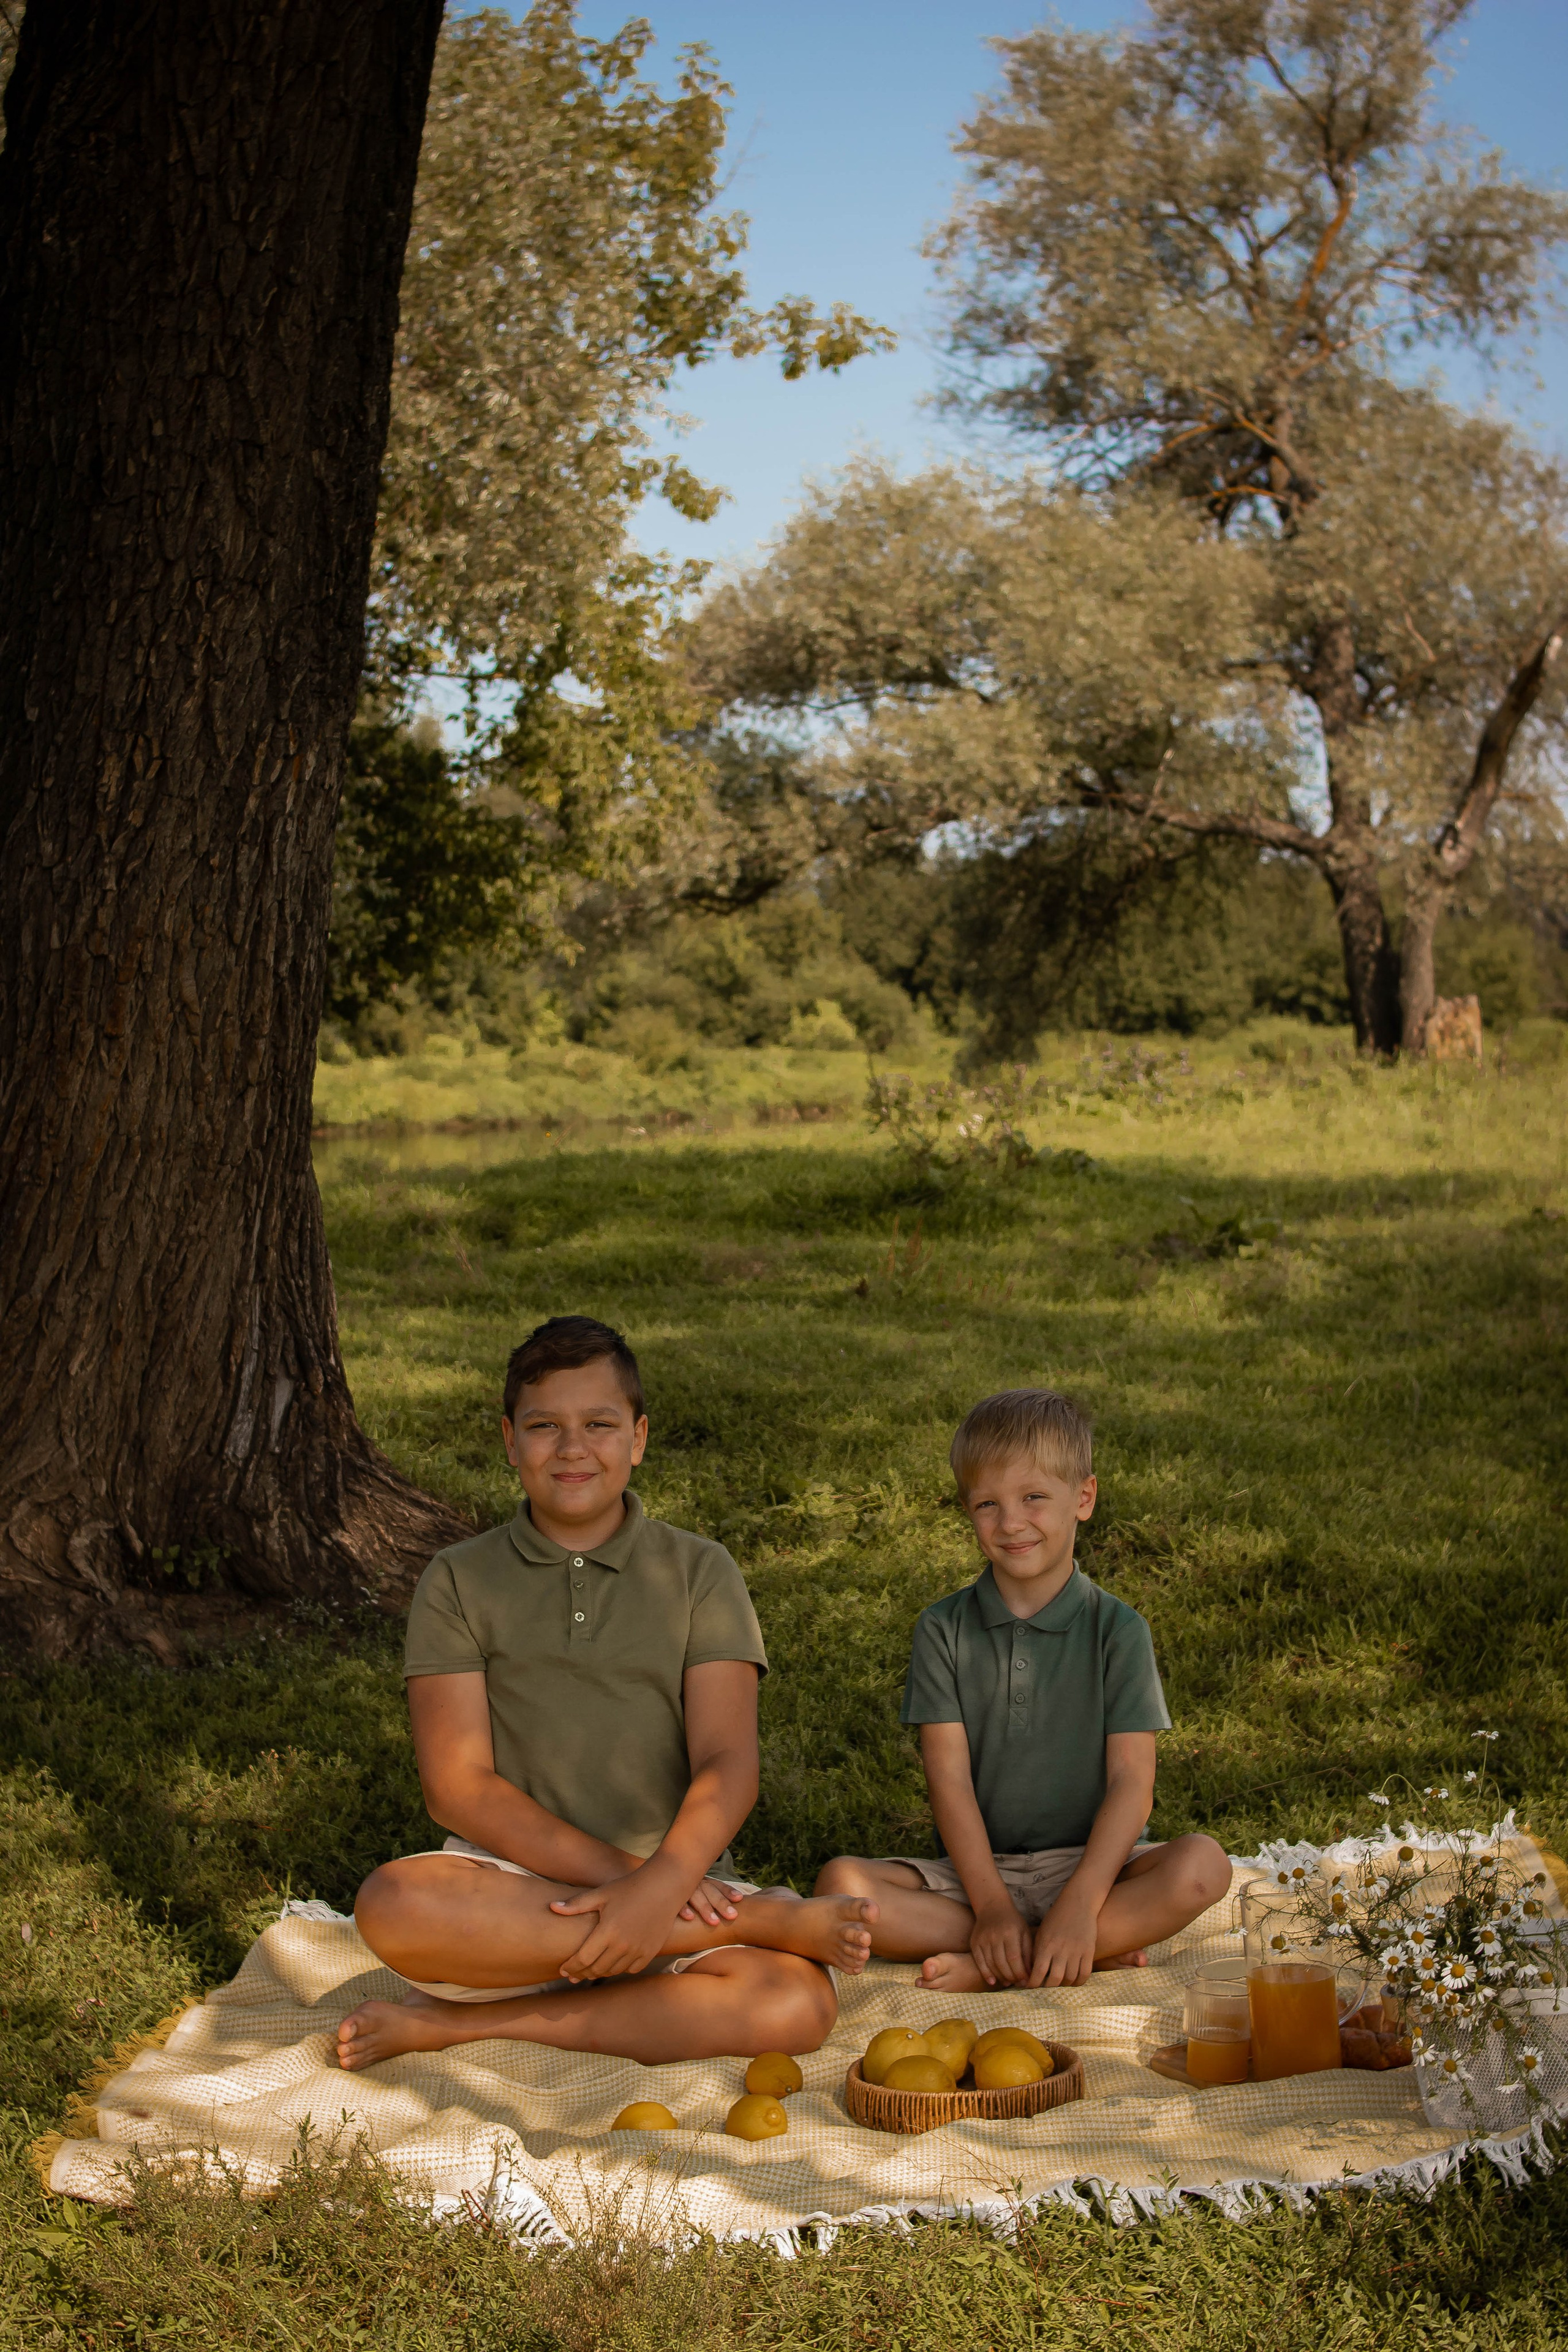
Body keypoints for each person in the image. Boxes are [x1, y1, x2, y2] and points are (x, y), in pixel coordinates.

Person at [337, 1316, 876, 2071]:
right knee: (392, 1904)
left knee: (795, 2004)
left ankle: (455, 2030)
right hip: (518, 1905)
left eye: (599, 1424)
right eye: (544, 1426)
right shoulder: (459, 1579)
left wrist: (665, 1882)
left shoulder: (700, 1571)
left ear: (639, 1438)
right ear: (508, 1440)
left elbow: (728, 1760)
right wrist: (637, 1892)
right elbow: (456, 1788)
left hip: (674, 1879)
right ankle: (755, 1920)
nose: (572, 1448)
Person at [816, 1389, 1229, 1992]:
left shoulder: (1119, 1631)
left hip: (1095, 1867)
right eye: (987, 1503)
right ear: (967, 1510)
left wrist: (1082, 1903)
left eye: (1033, 1497)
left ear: (1082, 1498)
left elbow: (1131, 1783)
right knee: (841, 1887)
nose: (1010, 1523)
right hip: (976, 1874)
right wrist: (991, 1908)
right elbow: (949, 1781)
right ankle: (1063, 1952)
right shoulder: (942, 1630)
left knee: (1202, 1868)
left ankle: (1012, 1962)